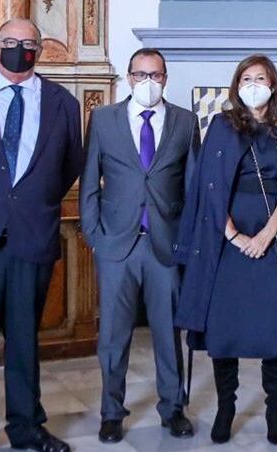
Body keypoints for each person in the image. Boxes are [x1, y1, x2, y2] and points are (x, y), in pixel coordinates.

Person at [175, 55, 277, 446]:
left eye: (261, 77)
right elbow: (207, 189)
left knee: (276, 332)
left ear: (274, 85)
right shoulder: (221, 127)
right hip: (226, 242)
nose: (254, 84)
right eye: (247, 78)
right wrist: (232, 235)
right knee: (225, 330)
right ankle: (226, 407)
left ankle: (274, 409)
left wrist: (266, 234)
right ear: (236, 85)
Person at [0, 20, 84, 452]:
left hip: (32, 235)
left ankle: (27, 427)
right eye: (10, 42)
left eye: (27, 44)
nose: (18, 49)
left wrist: (29, 202)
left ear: (40, 51)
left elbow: (69, 166)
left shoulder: (63, 102)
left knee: (25, 341)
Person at [82, 48, 199, 443]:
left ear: (166, 77)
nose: (149, 82)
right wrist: (94, 237)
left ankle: (174, 408)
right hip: (117, 246)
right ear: (129, 77)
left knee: (169, 333)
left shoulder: (185, 121)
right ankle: (111, 412)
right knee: (113, 336)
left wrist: (187, 241)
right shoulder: (103, 120)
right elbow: (88, 186)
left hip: (166, 246)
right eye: (141, 74)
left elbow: (193, 187)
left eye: (157, 74)